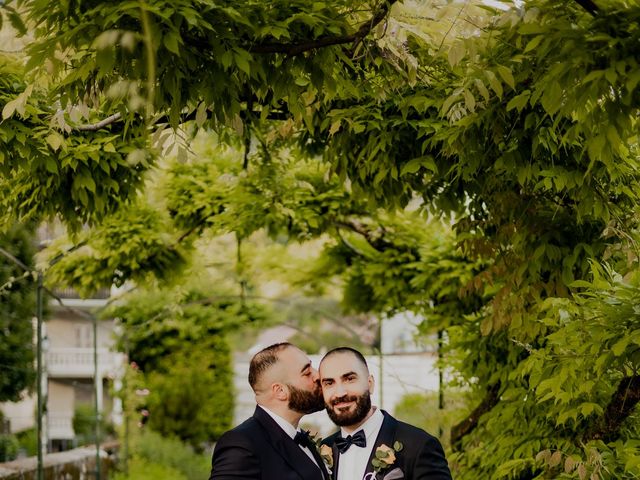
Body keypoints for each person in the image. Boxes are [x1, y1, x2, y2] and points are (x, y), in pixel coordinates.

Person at [319, 347, 452, 480]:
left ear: (370, 384)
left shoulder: (419, 446)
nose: (340, 393)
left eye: (349, 379)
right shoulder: (320, 452)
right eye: (329, 383)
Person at [210, 342, 330, 480]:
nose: (318, 376)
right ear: (280, 391)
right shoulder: (242, 445)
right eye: (307, 373)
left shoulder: (302, 438)